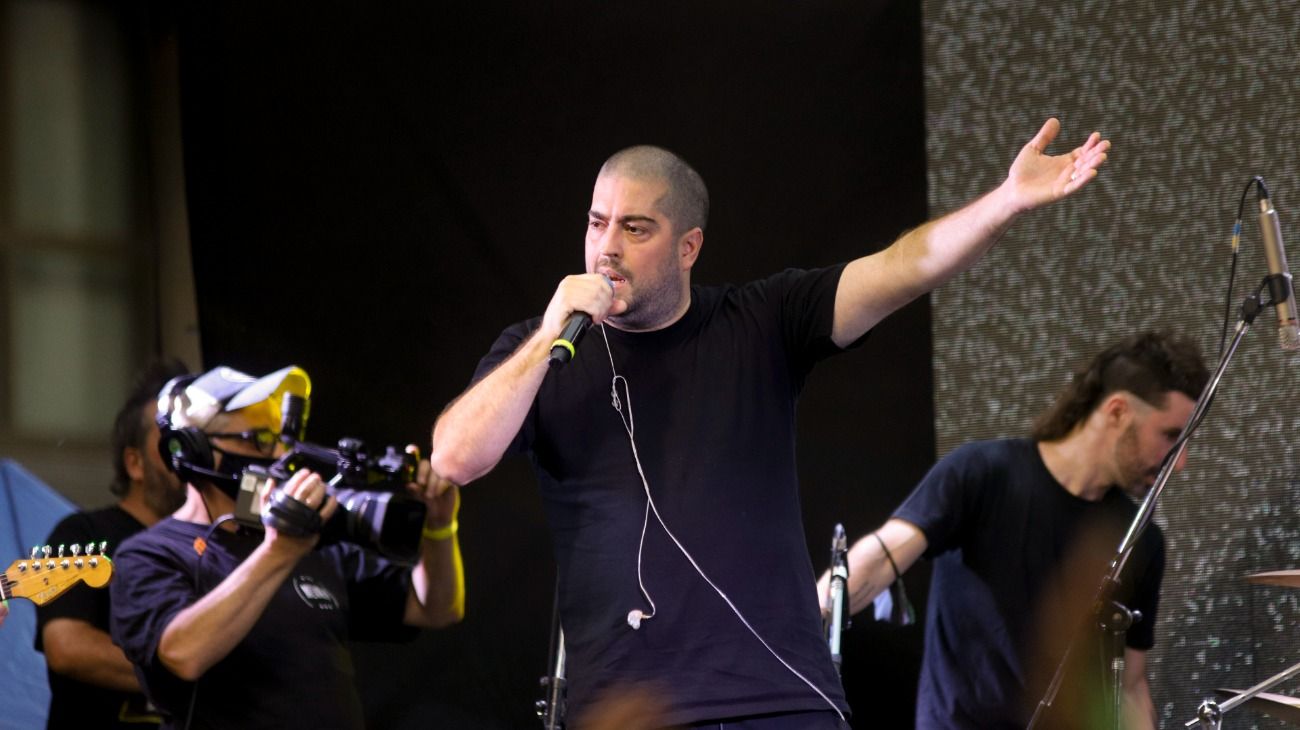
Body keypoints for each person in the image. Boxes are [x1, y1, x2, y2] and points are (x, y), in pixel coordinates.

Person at [431, 118, 1109, 728]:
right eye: (596, 222)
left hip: (780, 702)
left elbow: (903, 268)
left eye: (635, 229)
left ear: (688, 246)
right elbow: (456, 458)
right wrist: (550, 334)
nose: (607, 247)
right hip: (626, 711)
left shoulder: (761, 323)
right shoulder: (544, 351)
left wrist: (1005, 201)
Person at [819, 331, 1208, 729]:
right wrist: (807, 615)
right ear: (1116, 411)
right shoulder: (983, 472)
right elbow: (883, 557)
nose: (1179, 463)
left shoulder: (1139, 537)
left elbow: (1129, 684)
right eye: (1170, 436)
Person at [109, 365, 464, 729]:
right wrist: (278, 551)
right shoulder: (150, 554)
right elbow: (182, 654)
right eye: (258, 440)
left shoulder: (312, 541)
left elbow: (435, 608)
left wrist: (439, 526)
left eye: (279, 439)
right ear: (195, 450)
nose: (278, 454)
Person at [36, 359, 189, 729]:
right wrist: (188, 666)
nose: (185, 449)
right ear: (134, 464)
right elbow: (66, 647)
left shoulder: (218, 545)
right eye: (169, 437)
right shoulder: (78, 534)